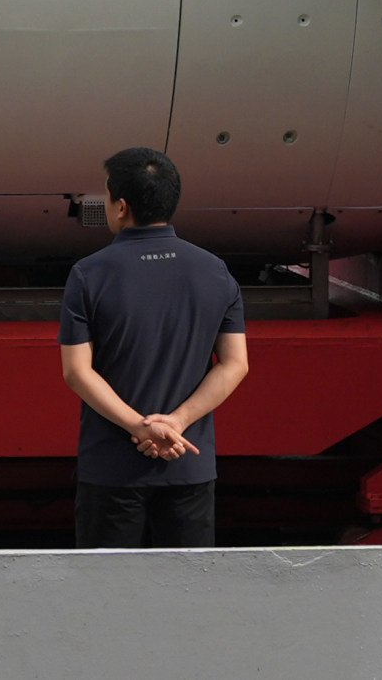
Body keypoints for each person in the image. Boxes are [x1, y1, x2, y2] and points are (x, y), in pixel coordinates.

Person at [57, 145, 249, 549]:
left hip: (111, 469)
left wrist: (140, 426)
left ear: (121, 206)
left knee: (109, 599)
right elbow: (235, 364)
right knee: (187, 597)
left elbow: (77, 371)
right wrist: (176, 423)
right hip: (189, 463)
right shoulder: (215, 271)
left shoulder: (88, 275)